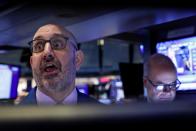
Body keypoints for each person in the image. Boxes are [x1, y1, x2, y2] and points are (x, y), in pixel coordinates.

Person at [20, 23, 99, 105]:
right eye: (39, 47)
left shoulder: (106, 115)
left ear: (77, 60)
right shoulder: (8, 117)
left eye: (57, 44)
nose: (47, 52)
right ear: (32, 63)